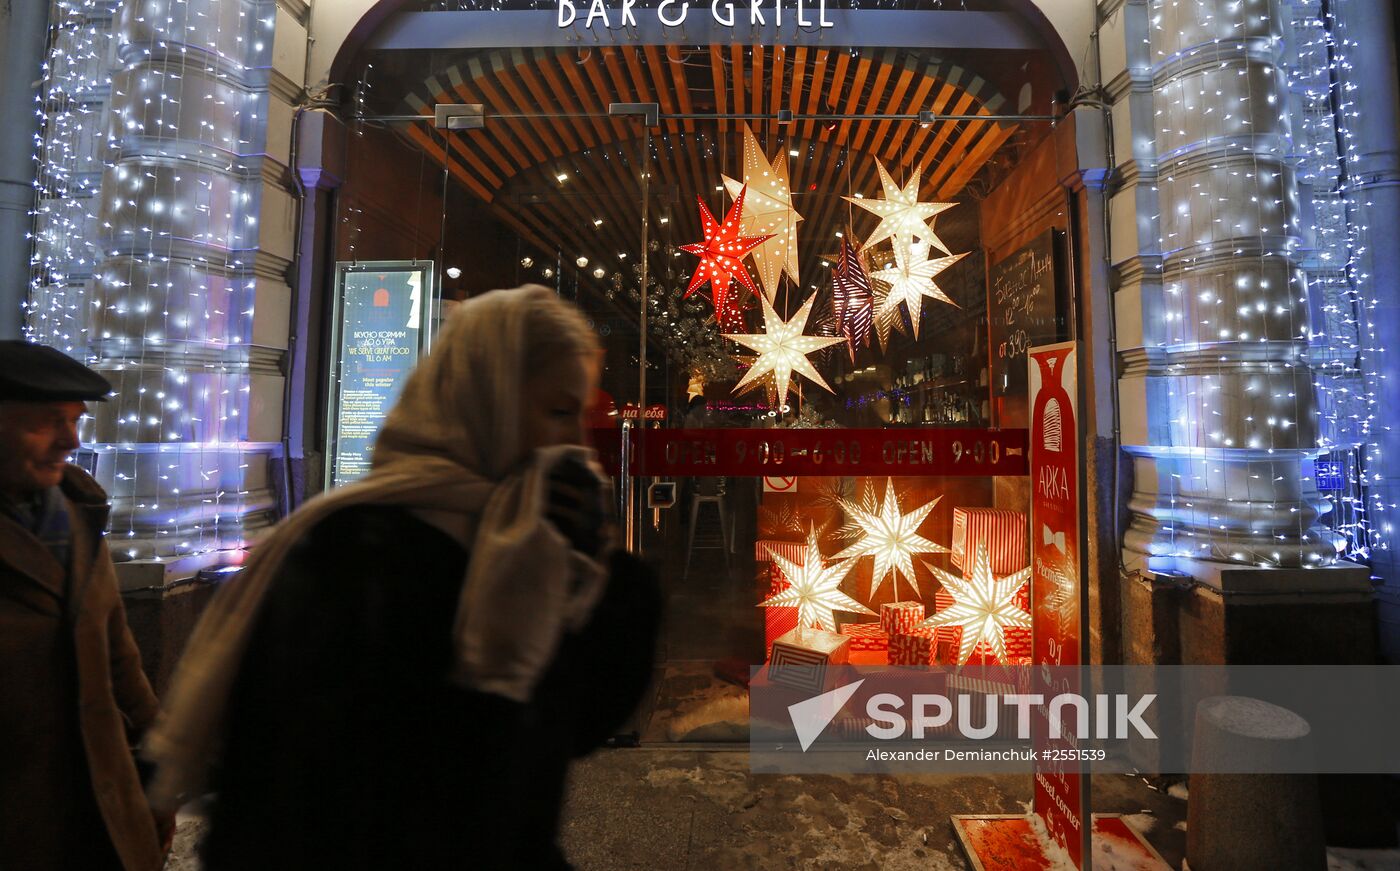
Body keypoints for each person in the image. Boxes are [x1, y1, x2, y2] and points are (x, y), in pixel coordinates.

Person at [144, 285, 661, 869]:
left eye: (581, 414)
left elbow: (580, 724)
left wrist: (606, 579)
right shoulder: (354, 555)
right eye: (557, 412)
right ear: (485, 400)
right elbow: (311, 792)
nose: (574, 443)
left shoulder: (524, 545)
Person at [0, 341, 170, 871]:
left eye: (74, 421)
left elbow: (118, 653)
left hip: (94, 800)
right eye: (48, 422)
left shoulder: (77, 514)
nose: (70, 441)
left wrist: (160, 765)